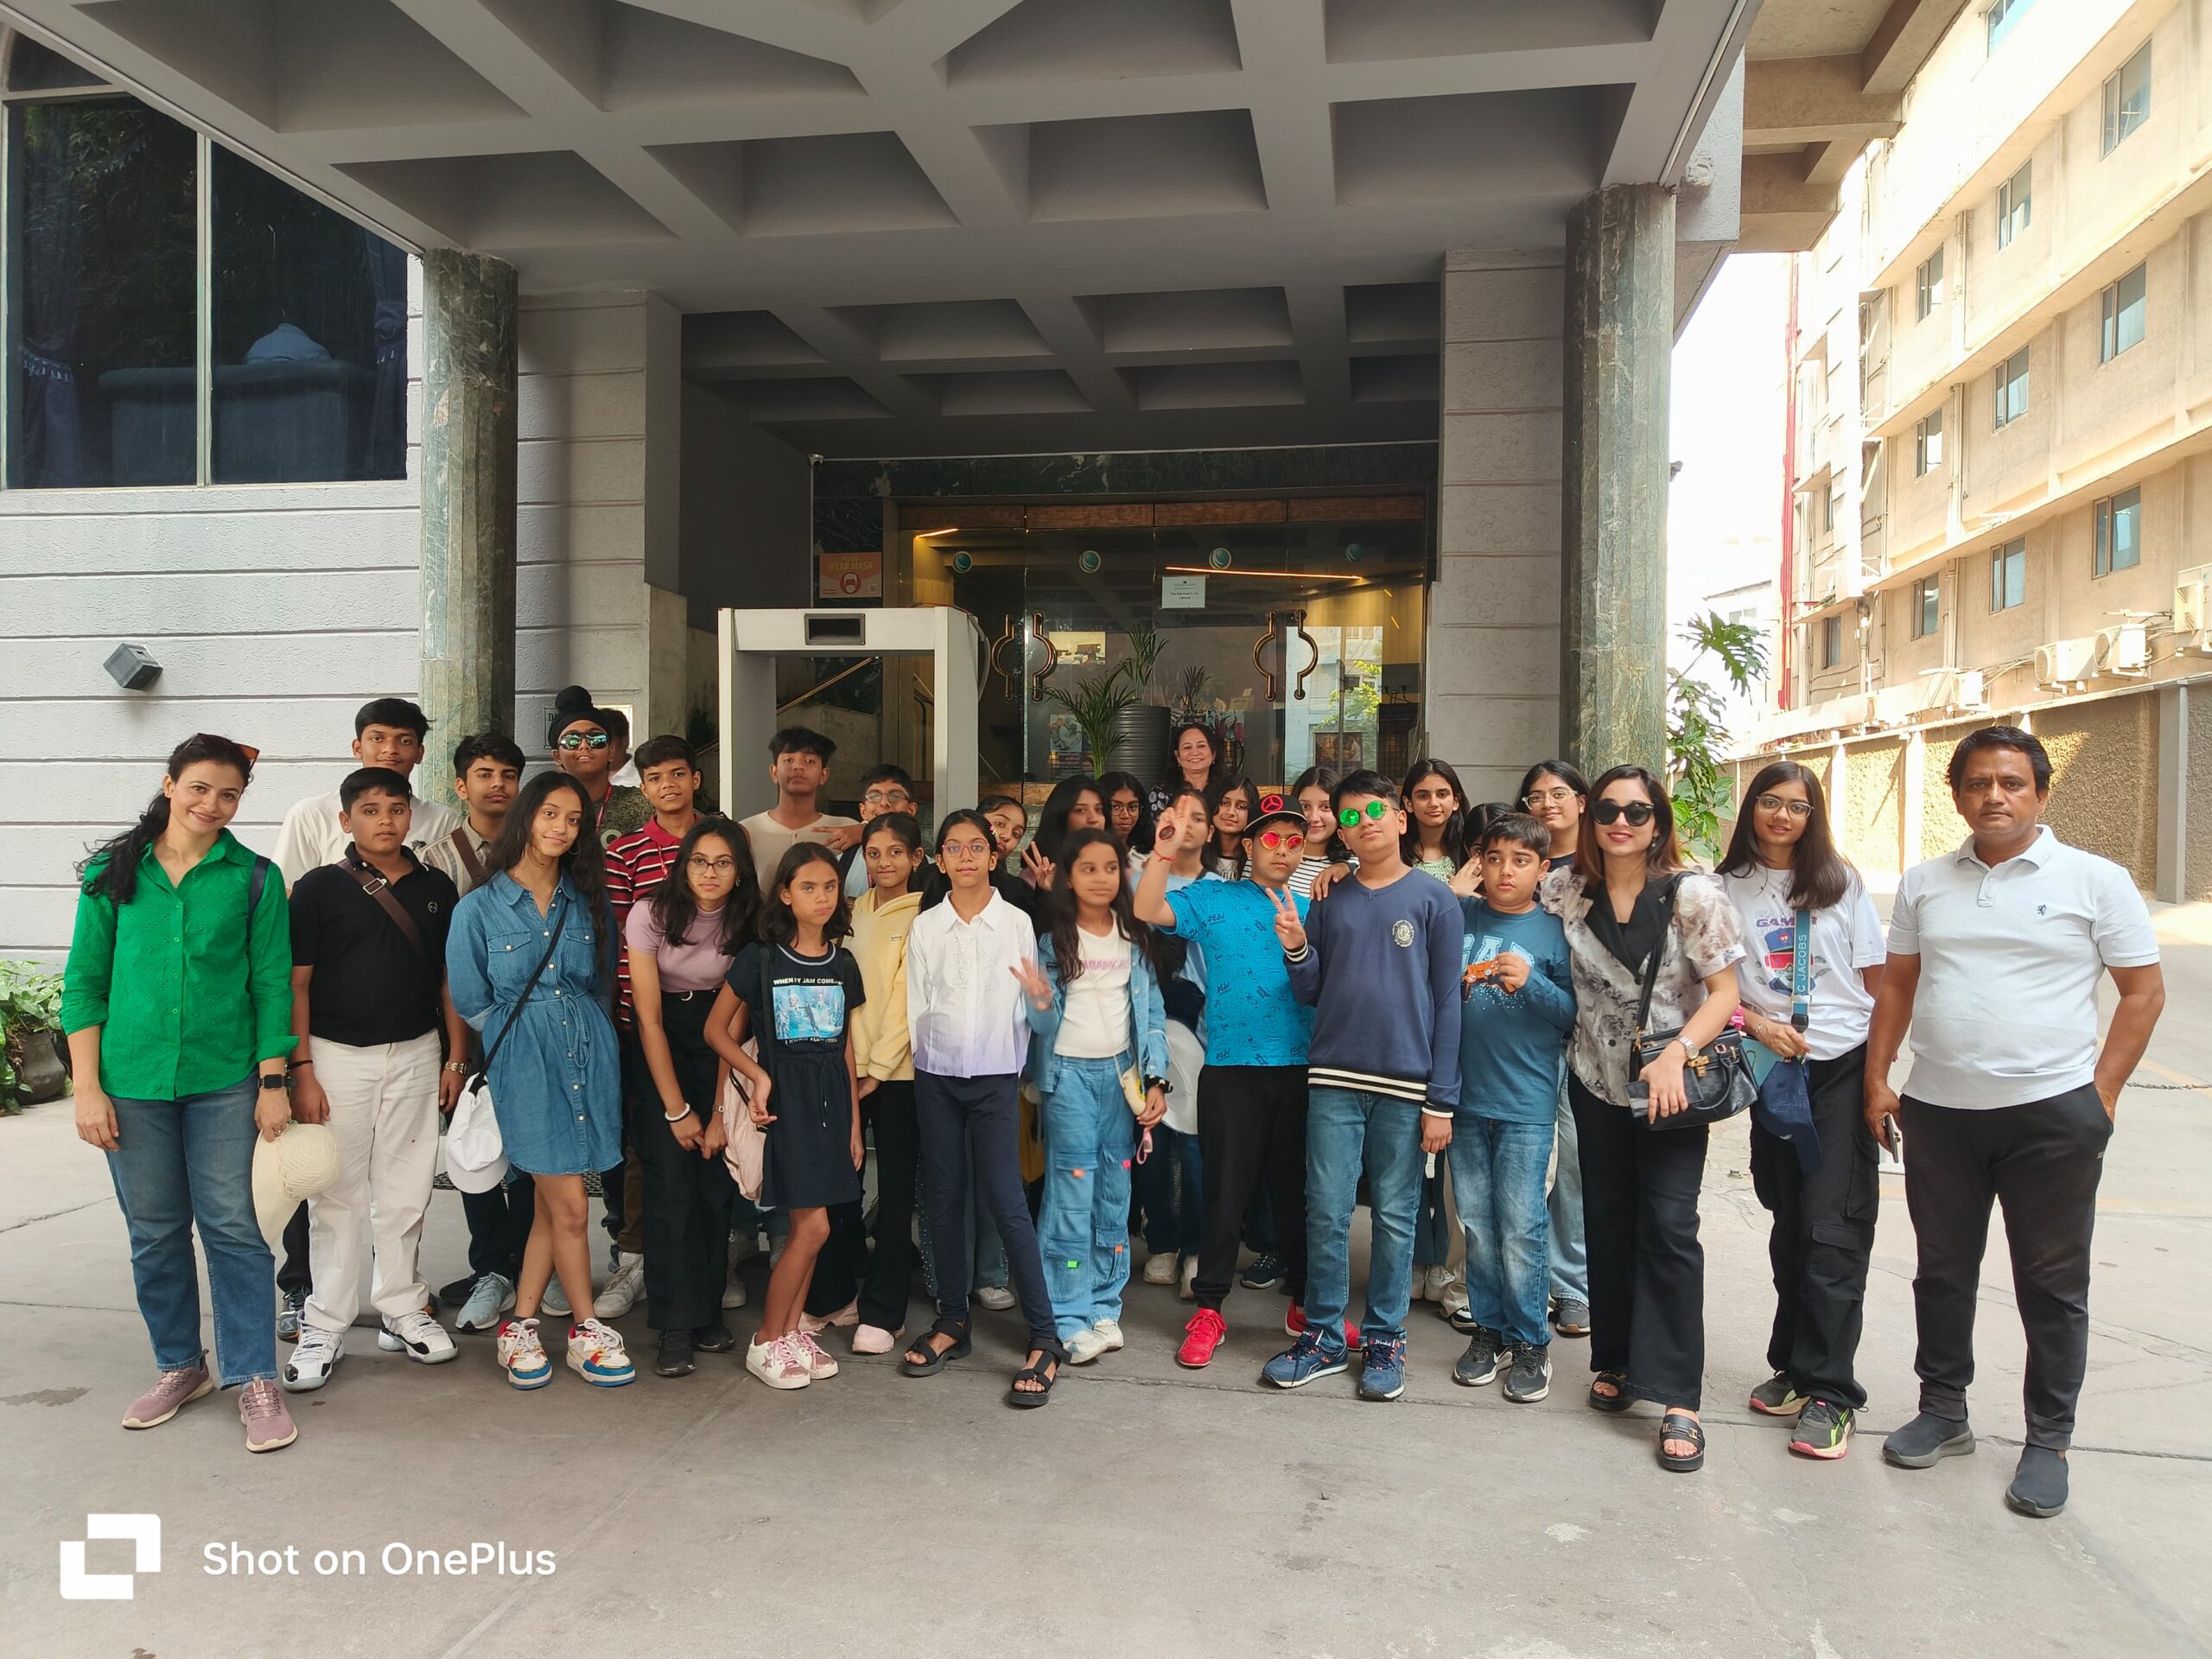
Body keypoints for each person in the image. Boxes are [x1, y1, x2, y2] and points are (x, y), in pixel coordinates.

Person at [1866, 726, 2164, 1517]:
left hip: (2051, 1116)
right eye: (1977, 783)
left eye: (2010, 783)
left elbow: (2143, 992)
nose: (1993, 796)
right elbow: (1898, 986)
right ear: (1956, 795)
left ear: (2040, 791)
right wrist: (1878, 1078)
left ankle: (2048, 1440)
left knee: (2052, 1284)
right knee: (1942, 1271)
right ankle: (1943, 1410)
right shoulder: (1926, 883)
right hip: (1941, 1112)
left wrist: (2101, 1095)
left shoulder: (2096, 880)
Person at [62, 734, 302, 1453]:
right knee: (155, 1232)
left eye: (229, 794)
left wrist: (272, 1082)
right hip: (131, 1081)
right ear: (169, 785)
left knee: (234, 1228)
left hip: (223, 1079)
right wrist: (86, 1089)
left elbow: (271, 984)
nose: (212, 804)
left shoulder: (255, 878)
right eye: (199, 787)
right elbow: (84, 984)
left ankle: (254, 1376)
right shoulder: (113, 873)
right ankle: (180, 1365)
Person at [1542, 765, 1743, 1472]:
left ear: (1658, 820)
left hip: (1670, 1089)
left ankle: (1680, 1397)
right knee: (1608, 1221)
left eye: (1636, 811)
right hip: (1595, 1081)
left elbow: (1725, 993)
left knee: (1670, 1228)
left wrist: (1678, 1054)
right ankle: (1619, 1360)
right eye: (1607, 811)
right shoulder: (1566, 888)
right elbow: (1491, 890)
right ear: (1590, 819)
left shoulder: (1693, 895)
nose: (1621, 823)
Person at [1262, 772, 1463, 1402]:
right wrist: (1298, 948)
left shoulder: (1436, 901)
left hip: (1406, 1084)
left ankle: (1385, 1338)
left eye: (1376, 810)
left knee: (1396, 1217)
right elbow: (1310, 991)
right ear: (1340, 833)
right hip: (1334, 1078)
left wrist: (1442, 1099)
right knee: (1325, 1209)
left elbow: (1448, 1004)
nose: (1364, 822)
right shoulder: (1330, 897)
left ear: (1401, 819)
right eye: (1350, 817)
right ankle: (1323, 1335)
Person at [1716, 761, 1888, 1459]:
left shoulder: (1841, 882)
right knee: (1789, 1222)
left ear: (1813, 815)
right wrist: (1756, 1024)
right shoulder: (1723, 887)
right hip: (1772, 1070)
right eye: (1770, 801)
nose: (1782, 816)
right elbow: (1712, 985)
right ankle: (1793, 1364)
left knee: (1832, 1229)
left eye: (1797, 805)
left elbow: (1880, 984)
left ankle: (1831, 1391)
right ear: (1750, 808)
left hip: (1840, 1067)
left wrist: (1879, 1079)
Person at [445, 772, 635, 1392]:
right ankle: (586, 1329)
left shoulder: (588, 901)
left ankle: (521, 1325)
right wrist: (528, 1040)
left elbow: (602, 984)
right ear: (527, 816)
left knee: (554, 1208)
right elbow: (471, 999)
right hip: (523, 1062)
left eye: (574, 819)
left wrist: (582, 1035)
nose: (561, 828)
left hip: (588, 1056)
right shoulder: (478, 908)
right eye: (550, 813)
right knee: (573, 1204)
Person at [279, 766, 467, 1392]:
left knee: (408, 1187)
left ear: (411, 815)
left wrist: (454, 1057)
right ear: (345, 820)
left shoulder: (437, 887)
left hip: (416, 1052)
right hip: (335, 1057)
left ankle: (403, 1307)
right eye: (369, 809)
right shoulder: (318, 889)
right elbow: (296, 984)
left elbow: (448, 979)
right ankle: (325, 1322)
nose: (385, 820)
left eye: (396, 808)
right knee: (337, 1194)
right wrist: (301, 1069)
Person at [1135, 791, 1325, 1369]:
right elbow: (1147, 908)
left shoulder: (1315, 908)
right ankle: (1210, 1309)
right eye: (1271, 838)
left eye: (1295, 841)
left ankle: (1304, 1306)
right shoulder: (1214, 897)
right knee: (1224, 1194)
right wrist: (1163, 853)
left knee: (1296, 1195)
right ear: (1247, 845)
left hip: (1298, 1071)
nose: (1283, 850)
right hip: (1230, 1071)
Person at [900, 810, 1065, 1406]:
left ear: (995, 857)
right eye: (954, 848)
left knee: (1006, 1201)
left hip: (995, 1079)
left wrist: (1037, 1010)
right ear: (939, 859)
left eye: (977, 847)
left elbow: (1036, 1012)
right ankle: (953, 1320)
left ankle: (1044, 1337)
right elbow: (918, 1004)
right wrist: (926, 1064)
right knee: (943, 1198)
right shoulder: (927, 926)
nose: (966, 857)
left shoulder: (1017, 922)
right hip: (936, 1076)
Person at [711, 845, 868, 1390]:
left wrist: (854, 1124)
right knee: (813, 1226)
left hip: (831, 1107)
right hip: (787, 1108)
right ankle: (766, 1340)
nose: (821, 897)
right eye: (808, 887)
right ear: (784, 893)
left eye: (829, 887)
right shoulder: (761, 958)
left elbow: (845, 1048)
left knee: (812, 1231)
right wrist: (758, 1076)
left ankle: (791, 1333)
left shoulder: (843, 963)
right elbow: (716, 1032)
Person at [1019, 829, 1169, 1366]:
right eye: (1088, 868)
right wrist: (1039, 1000)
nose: (1102, 878)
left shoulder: (1135, 935)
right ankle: (1065, 1313)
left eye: (1111, 867)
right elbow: (1043, 1025)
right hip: (1068, 1080)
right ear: (1067, 877)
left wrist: (1157, 1080)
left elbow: (1152, 1014)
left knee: (1114, 1190)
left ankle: (1105, 1304)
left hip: (1121, 1080)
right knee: (1072, 1192)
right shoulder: (1052, 941)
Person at [1448, 812, 1575, 1405]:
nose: (1505, 871)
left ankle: (1530, 1341)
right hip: (1462, 1097)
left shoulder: (1555, 931)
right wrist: (1451, 892)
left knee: (1521, 1226)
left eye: (1521, 861)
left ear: (1542, 869)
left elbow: (1574, 1015)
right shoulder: (1460, 916)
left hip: (1526, 1102)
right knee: (1477, 1224)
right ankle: (1491, 1330)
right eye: (1494, 858)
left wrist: (1532, 982)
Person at [627, 817, 755, 1378]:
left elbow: (733, 1028)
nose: (710, 873)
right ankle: (673, 1325)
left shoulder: (749, 921)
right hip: (662, 1045)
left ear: (739, 872)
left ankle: (706, 1314)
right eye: (699, 861)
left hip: (721, 1041)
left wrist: (721, 1112)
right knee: (670, 1187)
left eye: (723, 863)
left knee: (714, 1187)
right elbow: (649, 1019)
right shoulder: (650, 914)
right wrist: (677, 1110)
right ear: (683, 866)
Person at [594, 734, 715, 1323]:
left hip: (714, 1017)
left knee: (716, 1132)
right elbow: (621, 937)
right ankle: (636, 1255)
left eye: (676, 774)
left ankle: (713, 1255)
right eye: (654, 778)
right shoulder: (627, 852)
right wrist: (632, 1015)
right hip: (644, 1018)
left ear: (695, 778)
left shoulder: (721, 842)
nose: (667, 785)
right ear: (642, 788)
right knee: (647, 1142)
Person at [422, 734, 536, 1334]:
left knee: (535, 1151)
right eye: (484, 774)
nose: (498, 785)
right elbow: (441, 967)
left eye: (508, 774)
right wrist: (458, 1055)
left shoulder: (542, 847)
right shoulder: (436, 860)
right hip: (466, 1029)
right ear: (460, 786)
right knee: (475, 1148)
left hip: (535, 1025)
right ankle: (492, 1266)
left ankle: (531, 1262)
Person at [1520, 758, 1593, 1343]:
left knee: (1573, 1164)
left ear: (1582, 801)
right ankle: (1521, 1279)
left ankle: (1571, 1283)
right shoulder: (1522, 862)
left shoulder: (1602, 863)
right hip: (1526, 1031)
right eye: (1536, 796)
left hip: (1592, 1037)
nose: (1547, 803)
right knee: (1522, 1160)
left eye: (1559, 793)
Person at [849, 813, 926, 1355]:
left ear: (917, 858)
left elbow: (905, 999)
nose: (884, 862)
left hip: (897, 1076)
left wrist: (876, 1068)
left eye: (896, 852)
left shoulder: (924, 915)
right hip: (848, 1071)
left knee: (896, 1195)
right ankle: (841, 1294)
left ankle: (885, 1310)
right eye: (874, 853)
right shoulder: (852, 909)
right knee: (841, 1188)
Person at [1130, 786, 1211, 1296]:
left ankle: (1195, 1249)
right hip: (1142, 1023)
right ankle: (1160, 1242)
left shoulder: (1221, 889)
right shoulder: (1136, 880)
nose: (1185, 824)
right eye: (1176, 815)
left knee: (1197, 1141)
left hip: (1200, 1026)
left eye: (1197, 817)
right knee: (1152, 1135)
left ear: (1210, 829)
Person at [271, 698, 460, 887]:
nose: (390, 750)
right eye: (377, 739)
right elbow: (287, 890)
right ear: (357, 748)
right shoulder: (311, 814)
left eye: (404, 741)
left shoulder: (443, 821)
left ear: (419, 753)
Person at [739, 726, 861, 874]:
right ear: (774, 772)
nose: (798, 767)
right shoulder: (747, 831)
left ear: (823, 775)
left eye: (809, 761)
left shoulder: (847, 830)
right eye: (789, 760)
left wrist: (865, 831)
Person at [550, 696, 649, 852]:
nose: (584, 746)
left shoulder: (642, 804)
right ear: (557, 757)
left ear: (611, 751)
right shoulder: (542, 808)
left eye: (596, 738)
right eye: (572, 740)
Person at [840, 763, 920, 897]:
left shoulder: (934, 870)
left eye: (895, 796)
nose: (884, 803)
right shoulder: (842, 863)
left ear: (911, 809)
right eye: (874, 796)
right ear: (863, 810)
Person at [1024, 774, 1106, 887]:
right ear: (1061, 817)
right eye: (1080, 810)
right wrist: (1050, 891)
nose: (1094, 819)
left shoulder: (1116, 865)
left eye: (1099, 809)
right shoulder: (1038, 875)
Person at [1287, 764, 1349, 898]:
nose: (1314, 818)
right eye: (1305, 806)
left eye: (1326, 807)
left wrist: (1348, 866)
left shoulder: (1355, 867)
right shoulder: (1269, 857)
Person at [1149, 721, 1224, 817]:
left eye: (1201, 746)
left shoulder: (1227, 791)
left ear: (1213, 754)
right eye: (1187, 747)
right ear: (1178, 757)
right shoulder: (1161, 793)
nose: (1195, 752)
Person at [1204, 776, 1257, 880]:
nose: (1231, 812)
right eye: (1224, 803)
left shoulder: (1257, 857)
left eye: (1241, 807)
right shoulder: (1196, 851)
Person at [1098, 770, 1155, 857]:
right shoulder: (1087, 852)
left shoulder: (1152, 853)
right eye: (1116, 807)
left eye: (1132, 807)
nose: (1125, 815)